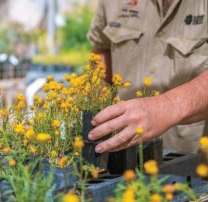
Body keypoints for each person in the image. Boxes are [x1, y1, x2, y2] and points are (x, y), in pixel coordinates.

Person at [87, 0, 208, 153]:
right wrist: (95, 112)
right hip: (123, 155)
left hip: (194, 158)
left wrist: (165, 107)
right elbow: (102, 50)